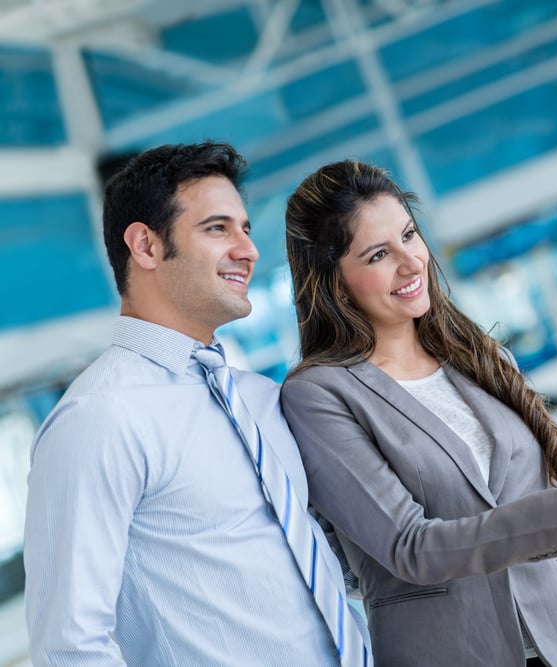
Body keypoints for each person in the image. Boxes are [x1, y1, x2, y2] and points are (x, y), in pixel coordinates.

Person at [280, 159, 557, 666]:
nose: (411, 263)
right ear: (335, 282)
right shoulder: (320, 395)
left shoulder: (481, 358)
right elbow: (411, 547)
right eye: (379, 254)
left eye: (409, 235)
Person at [23, 142, 368, 666]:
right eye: (218, 228)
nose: (248, 250)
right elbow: (68, 649)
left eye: (247, 229)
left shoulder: (258, 400)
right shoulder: (100, 419)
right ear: (146, 246)